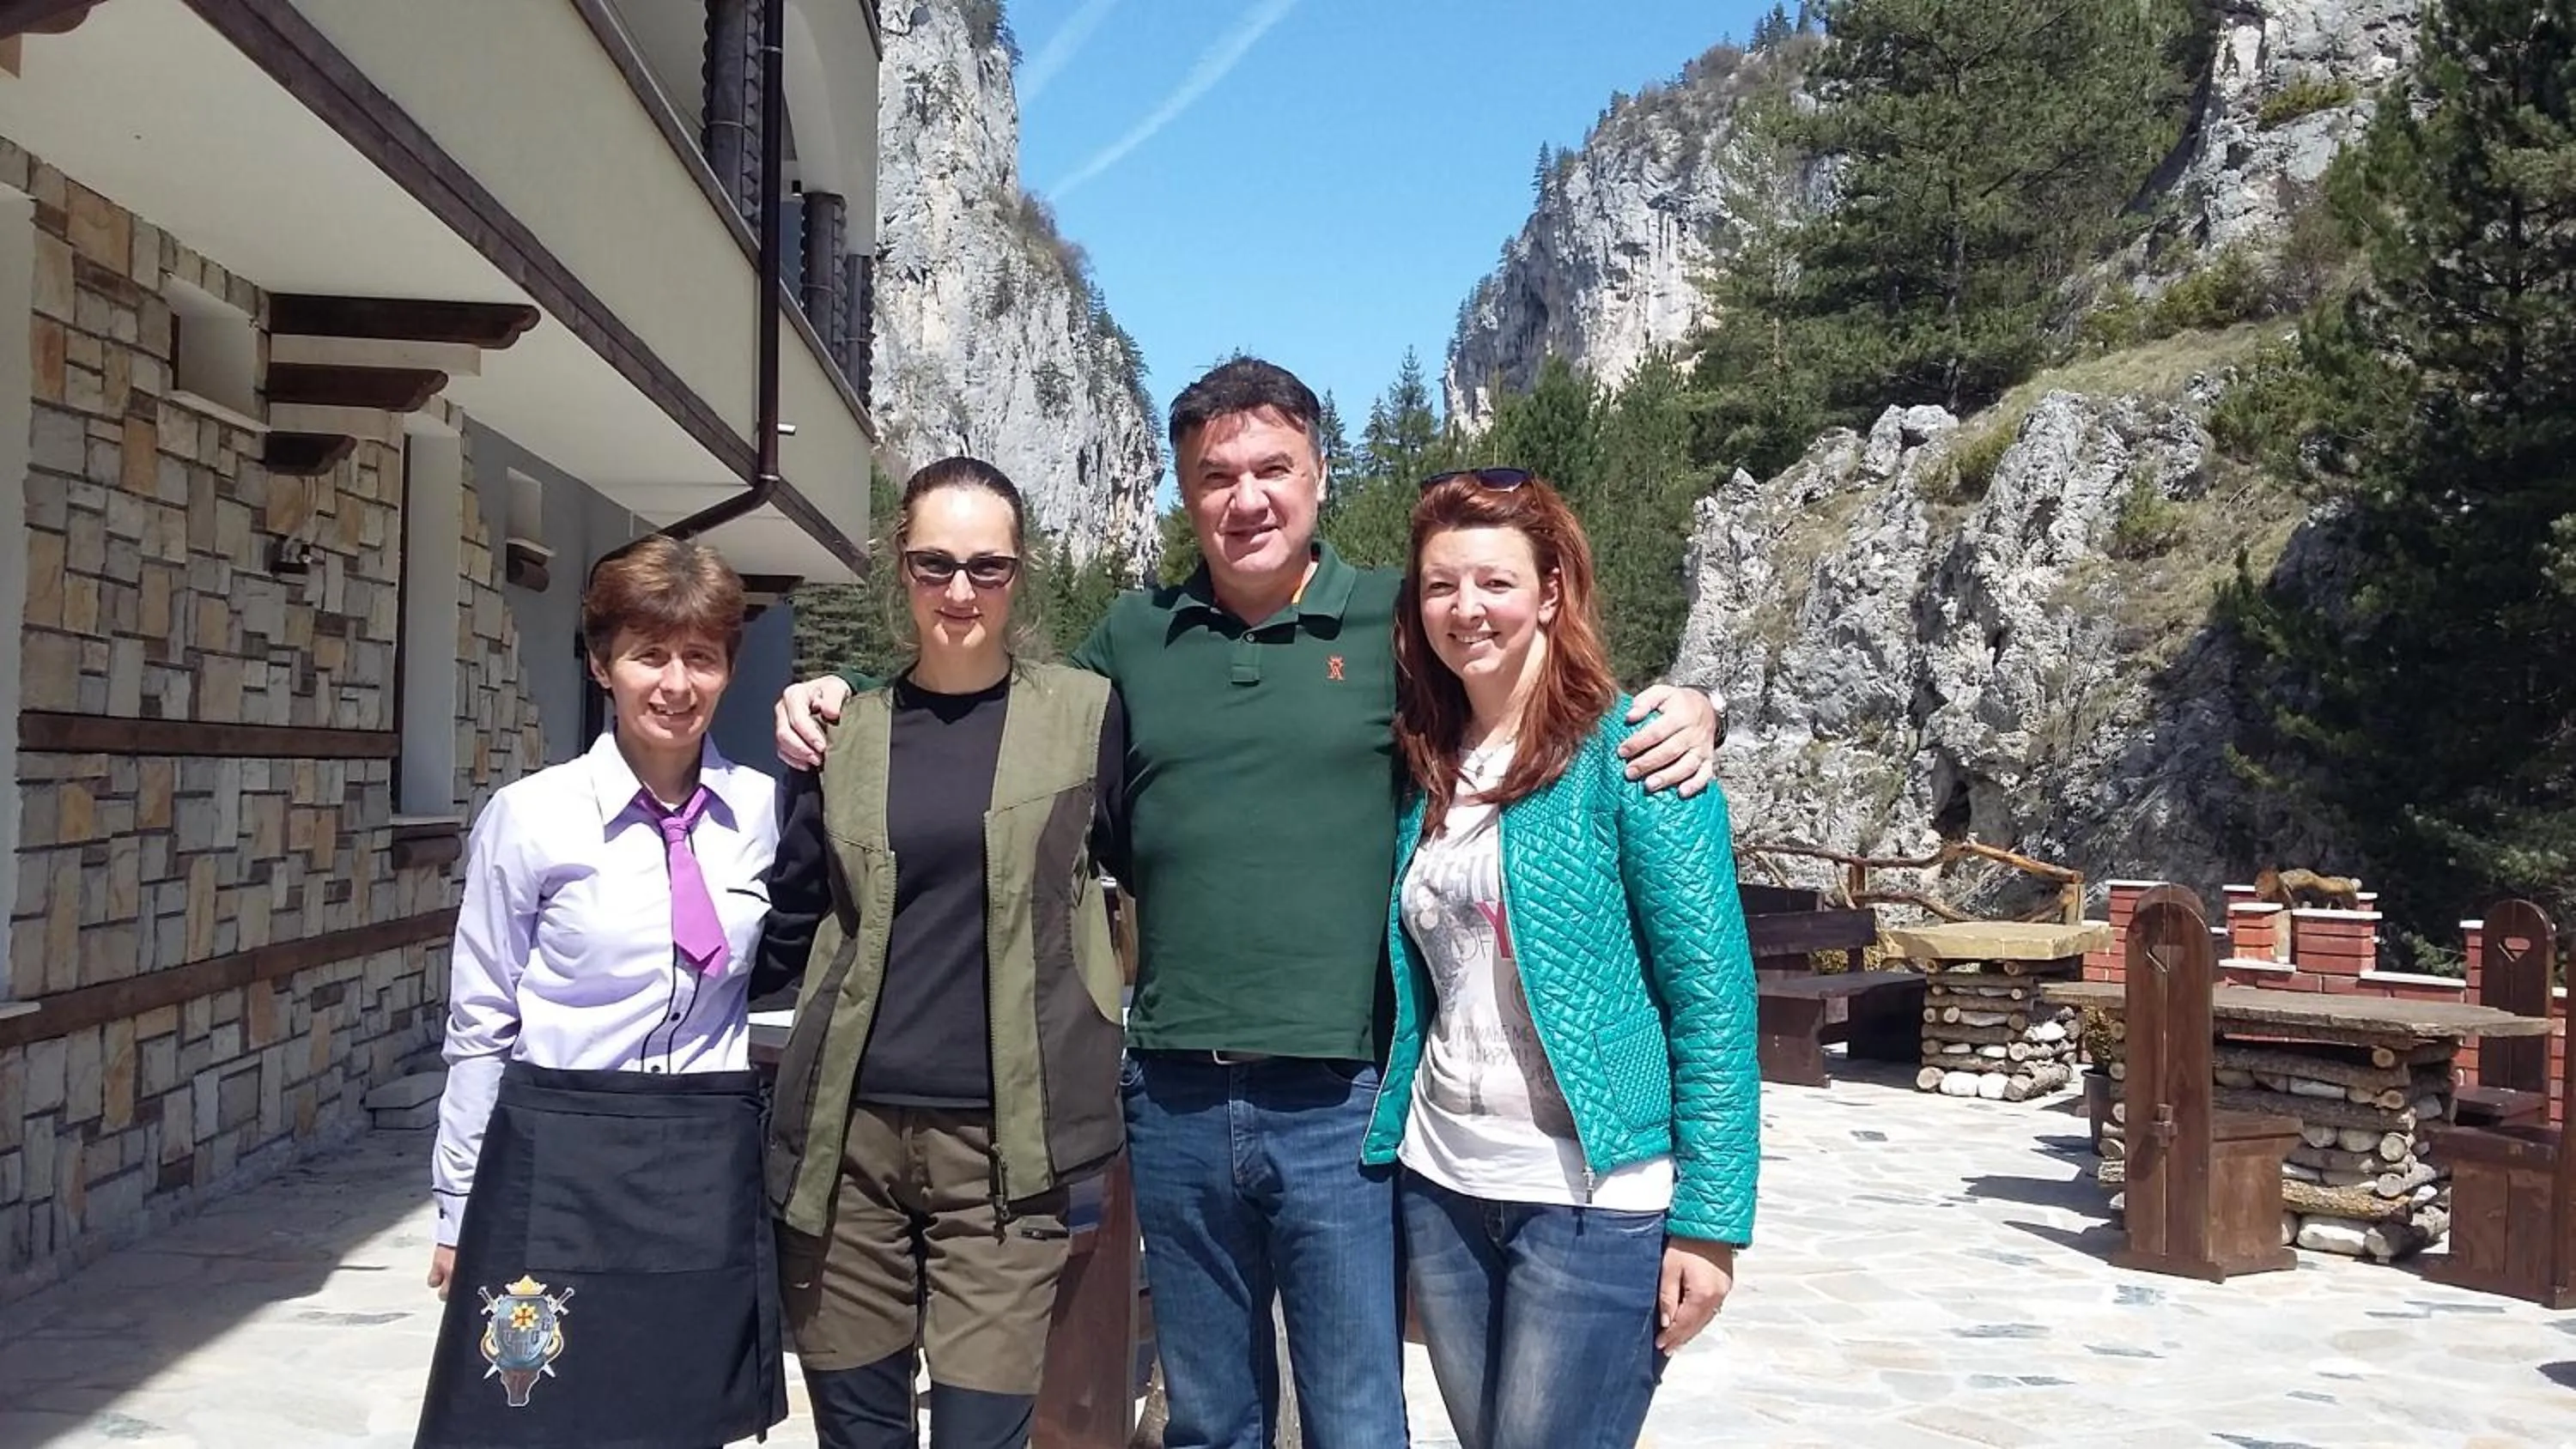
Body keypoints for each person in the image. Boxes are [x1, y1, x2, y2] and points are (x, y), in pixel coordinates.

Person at [774, 359, 1722, 1449]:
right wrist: (846, 696)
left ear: (1319, 473)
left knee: (1355, 1419)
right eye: (1216, 475)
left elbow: (1528, 682)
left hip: (1342, 1102)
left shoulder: (1399, 619)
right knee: (1211, 1417)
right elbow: (983, 695)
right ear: (1184, 493)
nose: (1247, 498)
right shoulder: (1135, 637)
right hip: (1172, 1092)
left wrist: (1691, 706)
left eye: (1273, 468)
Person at [1362, 469, 1759, 1449]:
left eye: (1495, 582)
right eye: (1441, 585)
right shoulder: (1422, 760)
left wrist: (1712, 1222)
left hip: (1597, 1200)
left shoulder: (1636, 754)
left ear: (1549, 592)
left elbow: (1711, 998)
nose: (1467, 608)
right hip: (1441, 1182)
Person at [753, 458, 1130, 1449]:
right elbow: (793, 915)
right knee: (859, 1435)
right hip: (847, 1145)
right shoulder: (844, 732)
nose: (960, 590)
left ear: (1019, 571)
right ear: (901, 567)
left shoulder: (1085, 717)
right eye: (935, 564)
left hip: (1010, 1152)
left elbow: (1158, 879)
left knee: (980, 1431)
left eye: (986, 566)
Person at [416, 536, 784, 1449]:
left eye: (701, 656)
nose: (676, 683)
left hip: (701, 1157)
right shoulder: (531, 818)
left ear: (729, 669)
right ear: (600, 663)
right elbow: (481, 1023)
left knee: (683, 1417)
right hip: (559, 1156)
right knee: (534, 1415)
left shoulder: (764, 816)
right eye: (649, 654)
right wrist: (459, 1207)